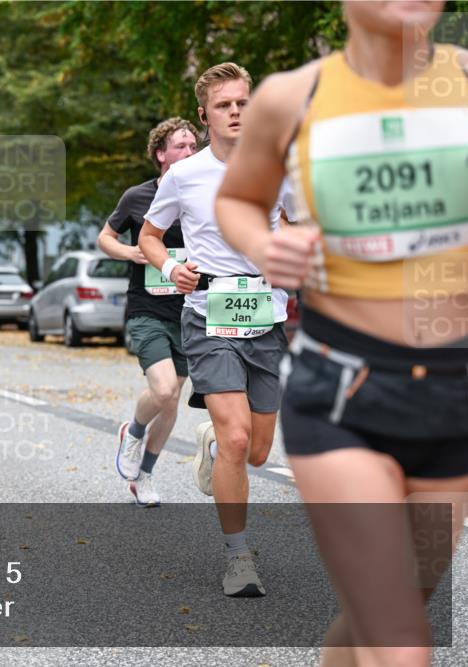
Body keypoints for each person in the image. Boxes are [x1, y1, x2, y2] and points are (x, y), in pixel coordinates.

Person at [215, 2, 468, 661]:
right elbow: (239, 199)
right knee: (402, 642)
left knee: (384, 616)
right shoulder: (293, 97)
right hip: (343, 393)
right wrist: (265, 246)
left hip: (455, 394)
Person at [140, 62, 293, 598]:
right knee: (236, 437)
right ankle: (238, 557)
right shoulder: (183, 175)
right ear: (206, 116)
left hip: (266, 314)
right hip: (208, 314)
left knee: (257, 451)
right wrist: (168, 268)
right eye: (225, 105)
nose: (236, 112)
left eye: (243, 103)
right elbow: (151, 234)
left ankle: (214, 447)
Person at [99, 117, 198, 506]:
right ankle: (134, 431)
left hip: (189, 309)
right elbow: (105, 237)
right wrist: (132, 252)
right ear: (161, 154)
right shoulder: (137, 197)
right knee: (164, 388)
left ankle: (145, 475)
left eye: (194, 146)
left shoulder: (204, 195)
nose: (189, 152)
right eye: (181, 146)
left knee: (172, 402)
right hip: (147, 308)